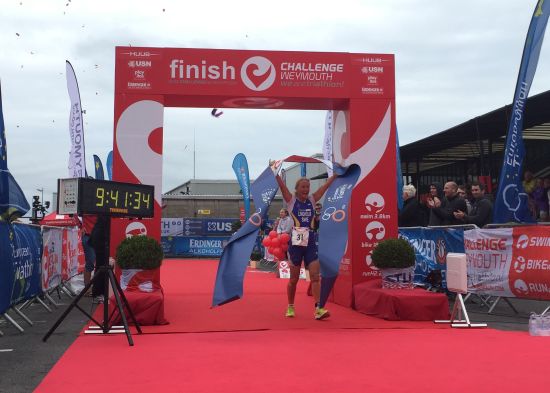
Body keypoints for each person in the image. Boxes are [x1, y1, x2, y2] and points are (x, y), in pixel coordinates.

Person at [276, 174, 336, 320]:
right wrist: (276, 174)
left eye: (307, 187)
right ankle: (290, 306)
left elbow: (324, 187)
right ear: (297, 189)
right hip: (296, 244)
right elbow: (283, 188)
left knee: (315, 276)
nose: (306, 189)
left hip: (310, 242)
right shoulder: (291, 201)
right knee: (294, 280)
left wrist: (333, 177)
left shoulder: (312, 199)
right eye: (303, 187)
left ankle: (318, 308)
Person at [88, 215, 110, 303]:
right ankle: (99, 293)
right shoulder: (105, 216)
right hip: (101, 241)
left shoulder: (104, 216)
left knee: (101, 266)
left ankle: (99, 292)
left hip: (100, 240)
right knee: (101, 267)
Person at [81, 215, 97, 293]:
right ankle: (87, 288)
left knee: (102, 262)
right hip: (87, 235)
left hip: (100, 234)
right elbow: (73, 213)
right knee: (90, 261)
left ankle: (98, 287)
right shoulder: (84, 205)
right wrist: (80, 226)